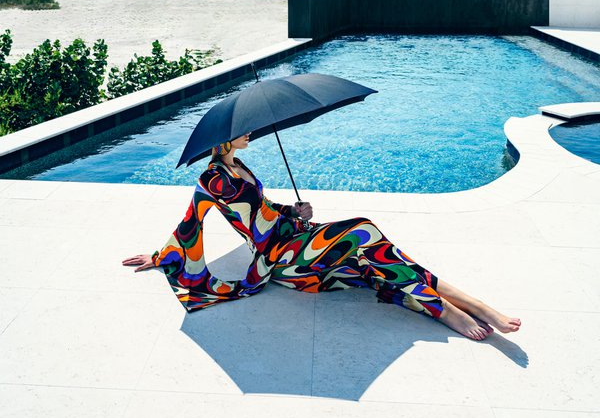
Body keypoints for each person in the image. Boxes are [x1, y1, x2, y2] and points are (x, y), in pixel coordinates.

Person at [123, 131, 521, 341]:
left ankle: (468, 304)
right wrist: (162, 256)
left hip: (294, 236)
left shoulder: (239, 165)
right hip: (278, 258)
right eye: (244, 131)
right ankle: (448, 309)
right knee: (362, 232)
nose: (252, 134)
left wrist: (292, 212)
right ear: (222, 140)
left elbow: (261, 209)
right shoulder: (211, 179)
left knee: (377, 257)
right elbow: (191, 223)